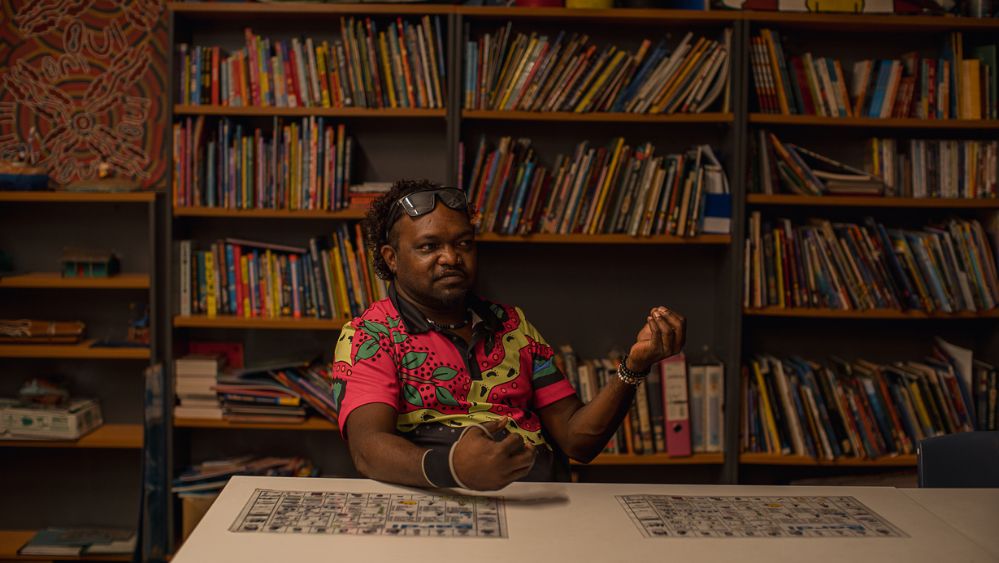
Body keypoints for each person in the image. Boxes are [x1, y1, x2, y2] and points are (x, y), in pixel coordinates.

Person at [330, 179, 686, 491]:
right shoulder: (370, 336)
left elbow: (578, 440)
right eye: (429, 247)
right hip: (441, 506)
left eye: (463, 243)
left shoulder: (512, 325)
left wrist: (634, 366)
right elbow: (367, 449)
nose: (451, 257)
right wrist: (454, 469)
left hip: (540, 505)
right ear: (391, 258)